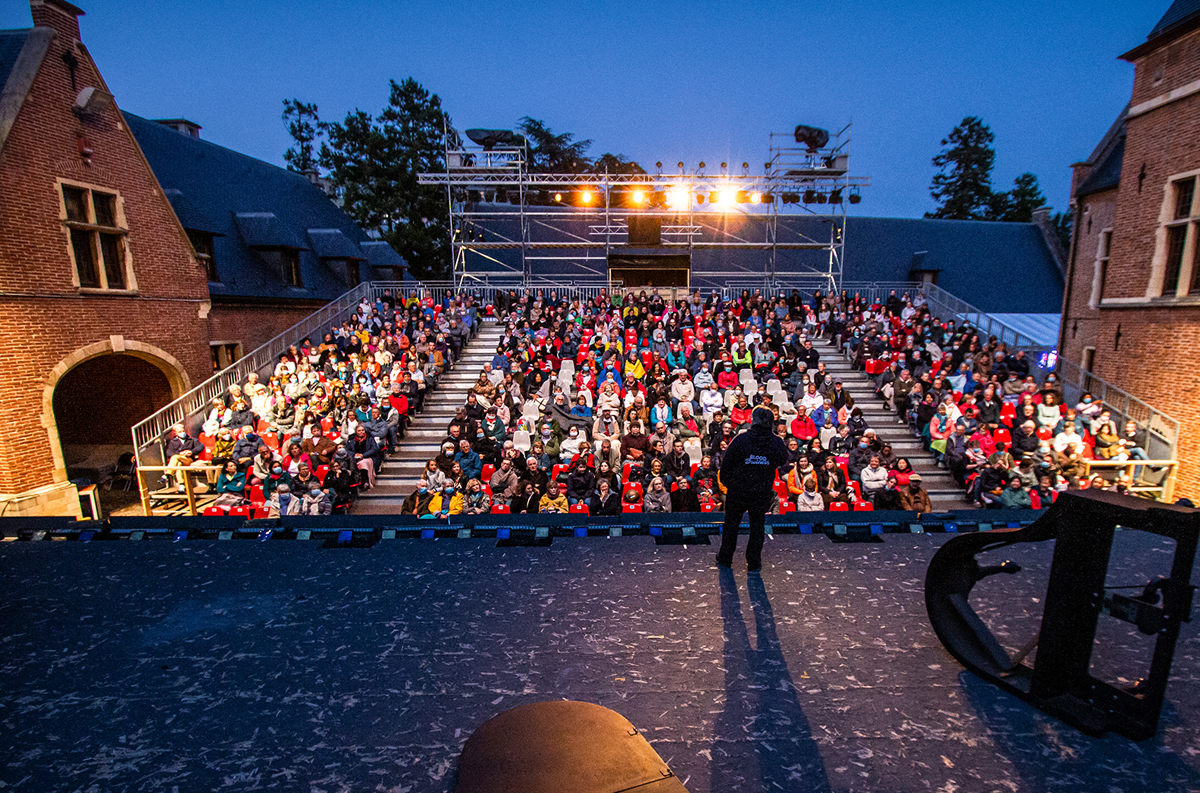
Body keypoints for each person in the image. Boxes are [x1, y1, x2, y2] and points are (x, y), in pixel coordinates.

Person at [716, 406, 788, 572]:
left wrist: (731, 485)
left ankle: (725, 557)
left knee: (731, 525)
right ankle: (754, 561)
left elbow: (726, 466)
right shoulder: (776, 442)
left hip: (738, 489)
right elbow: (783, 460)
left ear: (753, 420)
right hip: (761, 490)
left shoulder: (741, 439)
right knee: (757, 526)